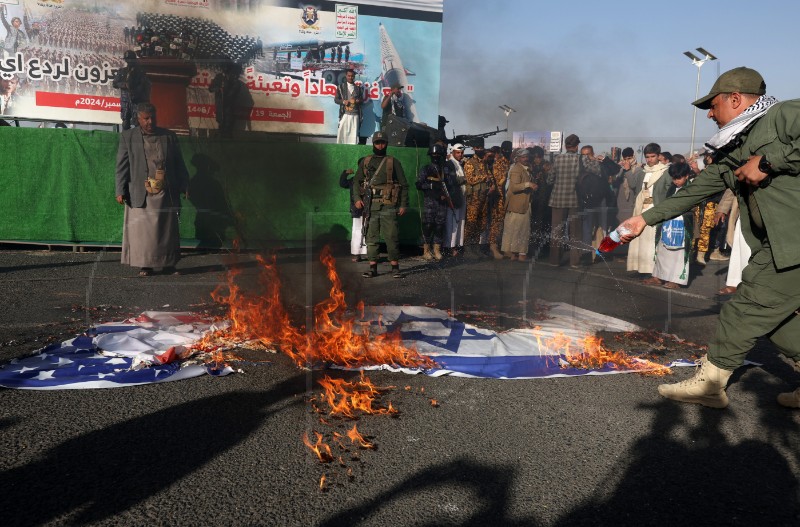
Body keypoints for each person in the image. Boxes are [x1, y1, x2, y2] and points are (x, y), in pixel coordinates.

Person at [620, 66, 800, 409]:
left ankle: (710, 386)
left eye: (713, 106)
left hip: (793, 244)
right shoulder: (734, 148)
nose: (710, 115)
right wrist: (643, 220)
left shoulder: (783, 115)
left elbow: (774, 159)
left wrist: (767, 162)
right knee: (774, 321)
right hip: (778, 248)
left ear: (735, 99)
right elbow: (694, 192)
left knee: (745, 310)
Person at [115, 103, 189, 277]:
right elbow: (121, 166)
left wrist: (185, 184)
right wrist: (119, 190)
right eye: (146, 118)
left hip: (166, 191)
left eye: (152, 117)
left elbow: (179, 163)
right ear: (138, 119)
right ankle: (145, 265)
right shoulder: (128, 137)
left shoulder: (169, 136)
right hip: (141, 193)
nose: (150, 121)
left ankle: (169, 265)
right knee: (143, 233)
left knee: (166, 231)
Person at [352, 131, 409, 278]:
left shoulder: (393, 161)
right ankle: (373, 268)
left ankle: (395, 267)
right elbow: (356, 182)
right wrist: (357, 198)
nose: (380, 145)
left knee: (391, 236)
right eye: (377, 142)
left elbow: (403, 184)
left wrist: (403, 204)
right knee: (371, 238)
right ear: (373, 144)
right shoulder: (366, 161)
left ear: (386, 143)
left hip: (388, 205)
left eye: (382, 142)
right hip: (370, 206)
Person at [547, 134, 600, 267]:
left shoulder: (558, 159)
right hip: (575, 200)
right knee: (575, 232)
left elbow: (549, 180)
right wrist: (592, 159)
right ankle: (574, 262)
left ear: (565, 146)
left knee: (557, 230)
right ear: (577, 147)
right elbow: (597, 170)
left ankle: (554, 260)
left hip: (557, 200)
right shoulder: (581, 159)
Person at [626, 143, 669, 279]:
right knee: (639, 239)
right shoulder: (642, 171)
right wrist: (628, 170)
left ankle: (652, 270)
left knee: (651, 242)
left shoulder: (665, 172)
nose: (650, 159)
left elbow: (668, 191)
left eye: (652, 156)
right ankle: (640, 268)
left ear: (658, 156)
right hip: (640, 208)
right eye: (647, 157)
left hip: (655, 209)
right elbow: (633, 186)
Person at [651, 162, 694, 289]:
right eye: (674, 178)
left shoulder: (692, 188)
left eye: (678, 178)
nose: (676, 181)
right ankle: (659, 276)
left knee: (678, 253)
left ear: (686, 176)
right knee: (663, 249)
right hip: (667, 222)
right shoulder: (671, 188)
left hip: (683, 223)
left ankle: (676, 280)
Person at [416, 143, 456, 261]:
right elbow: (419, 184)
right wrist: (431, 186)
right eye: (433, 154)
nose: (435, 156)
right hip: (430, 200)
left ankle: (437, 250)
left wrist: (446, 194)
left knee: (439, 226)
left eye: (438, 154)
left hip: (442, 202)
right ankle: (426, 250)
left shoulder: (445, 169)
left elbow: (451, 185)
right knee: (428, 225)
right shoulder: (426, 169)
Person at [501, 149, 536, 261]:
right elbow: (514, 187)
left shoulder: (524, 169)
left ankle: (515, 254)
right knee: (521, 230)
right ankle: (520, 254)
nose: (526, 159)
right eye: (523, 157)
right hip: (519, 205)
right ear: (518, 158)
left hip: (521, 204)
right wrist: (528, 184)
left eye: (527, 156)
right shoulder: (517, 169)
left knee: (516, 230)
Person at [463, 139, 491, 258]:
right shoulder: (470, 163)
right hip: (473, 199)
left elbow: (489, 175)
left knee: (481, 223)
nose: (480, 149)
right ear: (474, 148)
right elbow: (470, 179)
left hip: (483, 198)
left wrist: (489, 179)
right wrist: (484, 177)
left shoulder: (483, 163)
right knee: (471, 223)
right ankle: (467, 248)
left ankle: (476, 247)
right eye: (478, 147)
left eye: (481, 147)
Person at [112, 50, 151, 130]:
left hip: (136, 100)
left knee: (137, 122)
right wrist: (124, 85)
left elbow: (144, 85)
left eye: (130, 59)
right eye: (127, 59)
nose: (128, 61)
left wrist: (136, 91)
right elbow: (115, 83)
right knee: (125, 122)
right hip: (125, 100)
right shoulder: (122, 71)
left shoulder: (140, 71)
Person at [339, 165, 367, 262]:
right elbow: (342, 183)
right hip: (358, 210)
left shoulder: (373, 180)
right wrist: (345, 173)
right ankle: (357, 255)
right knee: (357, 232)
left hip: (371, 210)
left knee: (370, 232)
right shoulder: (354, 180)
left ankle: (371, 256)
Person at [443, 143, 467, 256]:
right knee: (452, 223)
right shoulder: (449, 164)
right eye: (458, 152)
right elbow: (451, 180)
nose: (460, 154)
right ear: (453, 152)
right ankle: (450, 247)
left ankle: (457, 245)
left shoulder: (460, 164)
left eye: (462, 153)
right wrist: (465, 179)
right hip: (453, 197)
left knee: (460, 222)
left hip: (461, 197)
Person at [208, 61, 243, 138]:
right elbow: (211, 88)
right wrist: (219, 88)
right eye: (224, 67)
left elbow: (236, 89)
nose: (225, 69)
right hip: (220, 103)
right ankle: (220, 133)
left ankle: (227, 134)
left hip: (229, 104)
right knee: (220, 119)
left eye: (227, 67)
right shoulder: (219, 77)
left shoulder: (234, 78)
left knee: (228, 119)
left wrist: (227, 93)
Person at [334, 69, 365, 144]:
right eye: (349, 76)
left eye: (352, 76)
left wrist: (358, 101)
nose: (350, 77)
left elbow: (362, 101)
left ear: (354, 77)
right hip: (344, 114)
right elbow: (336, 100)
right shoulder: (340, 87)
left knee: (353, 137)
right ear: (346, 76)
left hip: (355, 115)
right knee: (341, 134)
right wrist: (343, 101)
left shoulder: (358, 89)